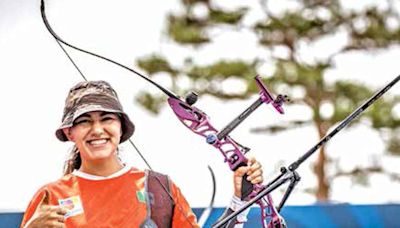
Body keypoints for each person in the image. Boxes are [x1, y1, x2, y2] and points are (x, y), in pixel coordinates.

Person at [20, 80, 264, 228]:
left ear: (121, 128)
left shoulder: (157, 187)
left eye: (106, 119)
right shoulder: (50, 197)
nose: (97, 130)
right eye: (84, 121)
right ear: (69, 133)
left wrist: (240, 200)